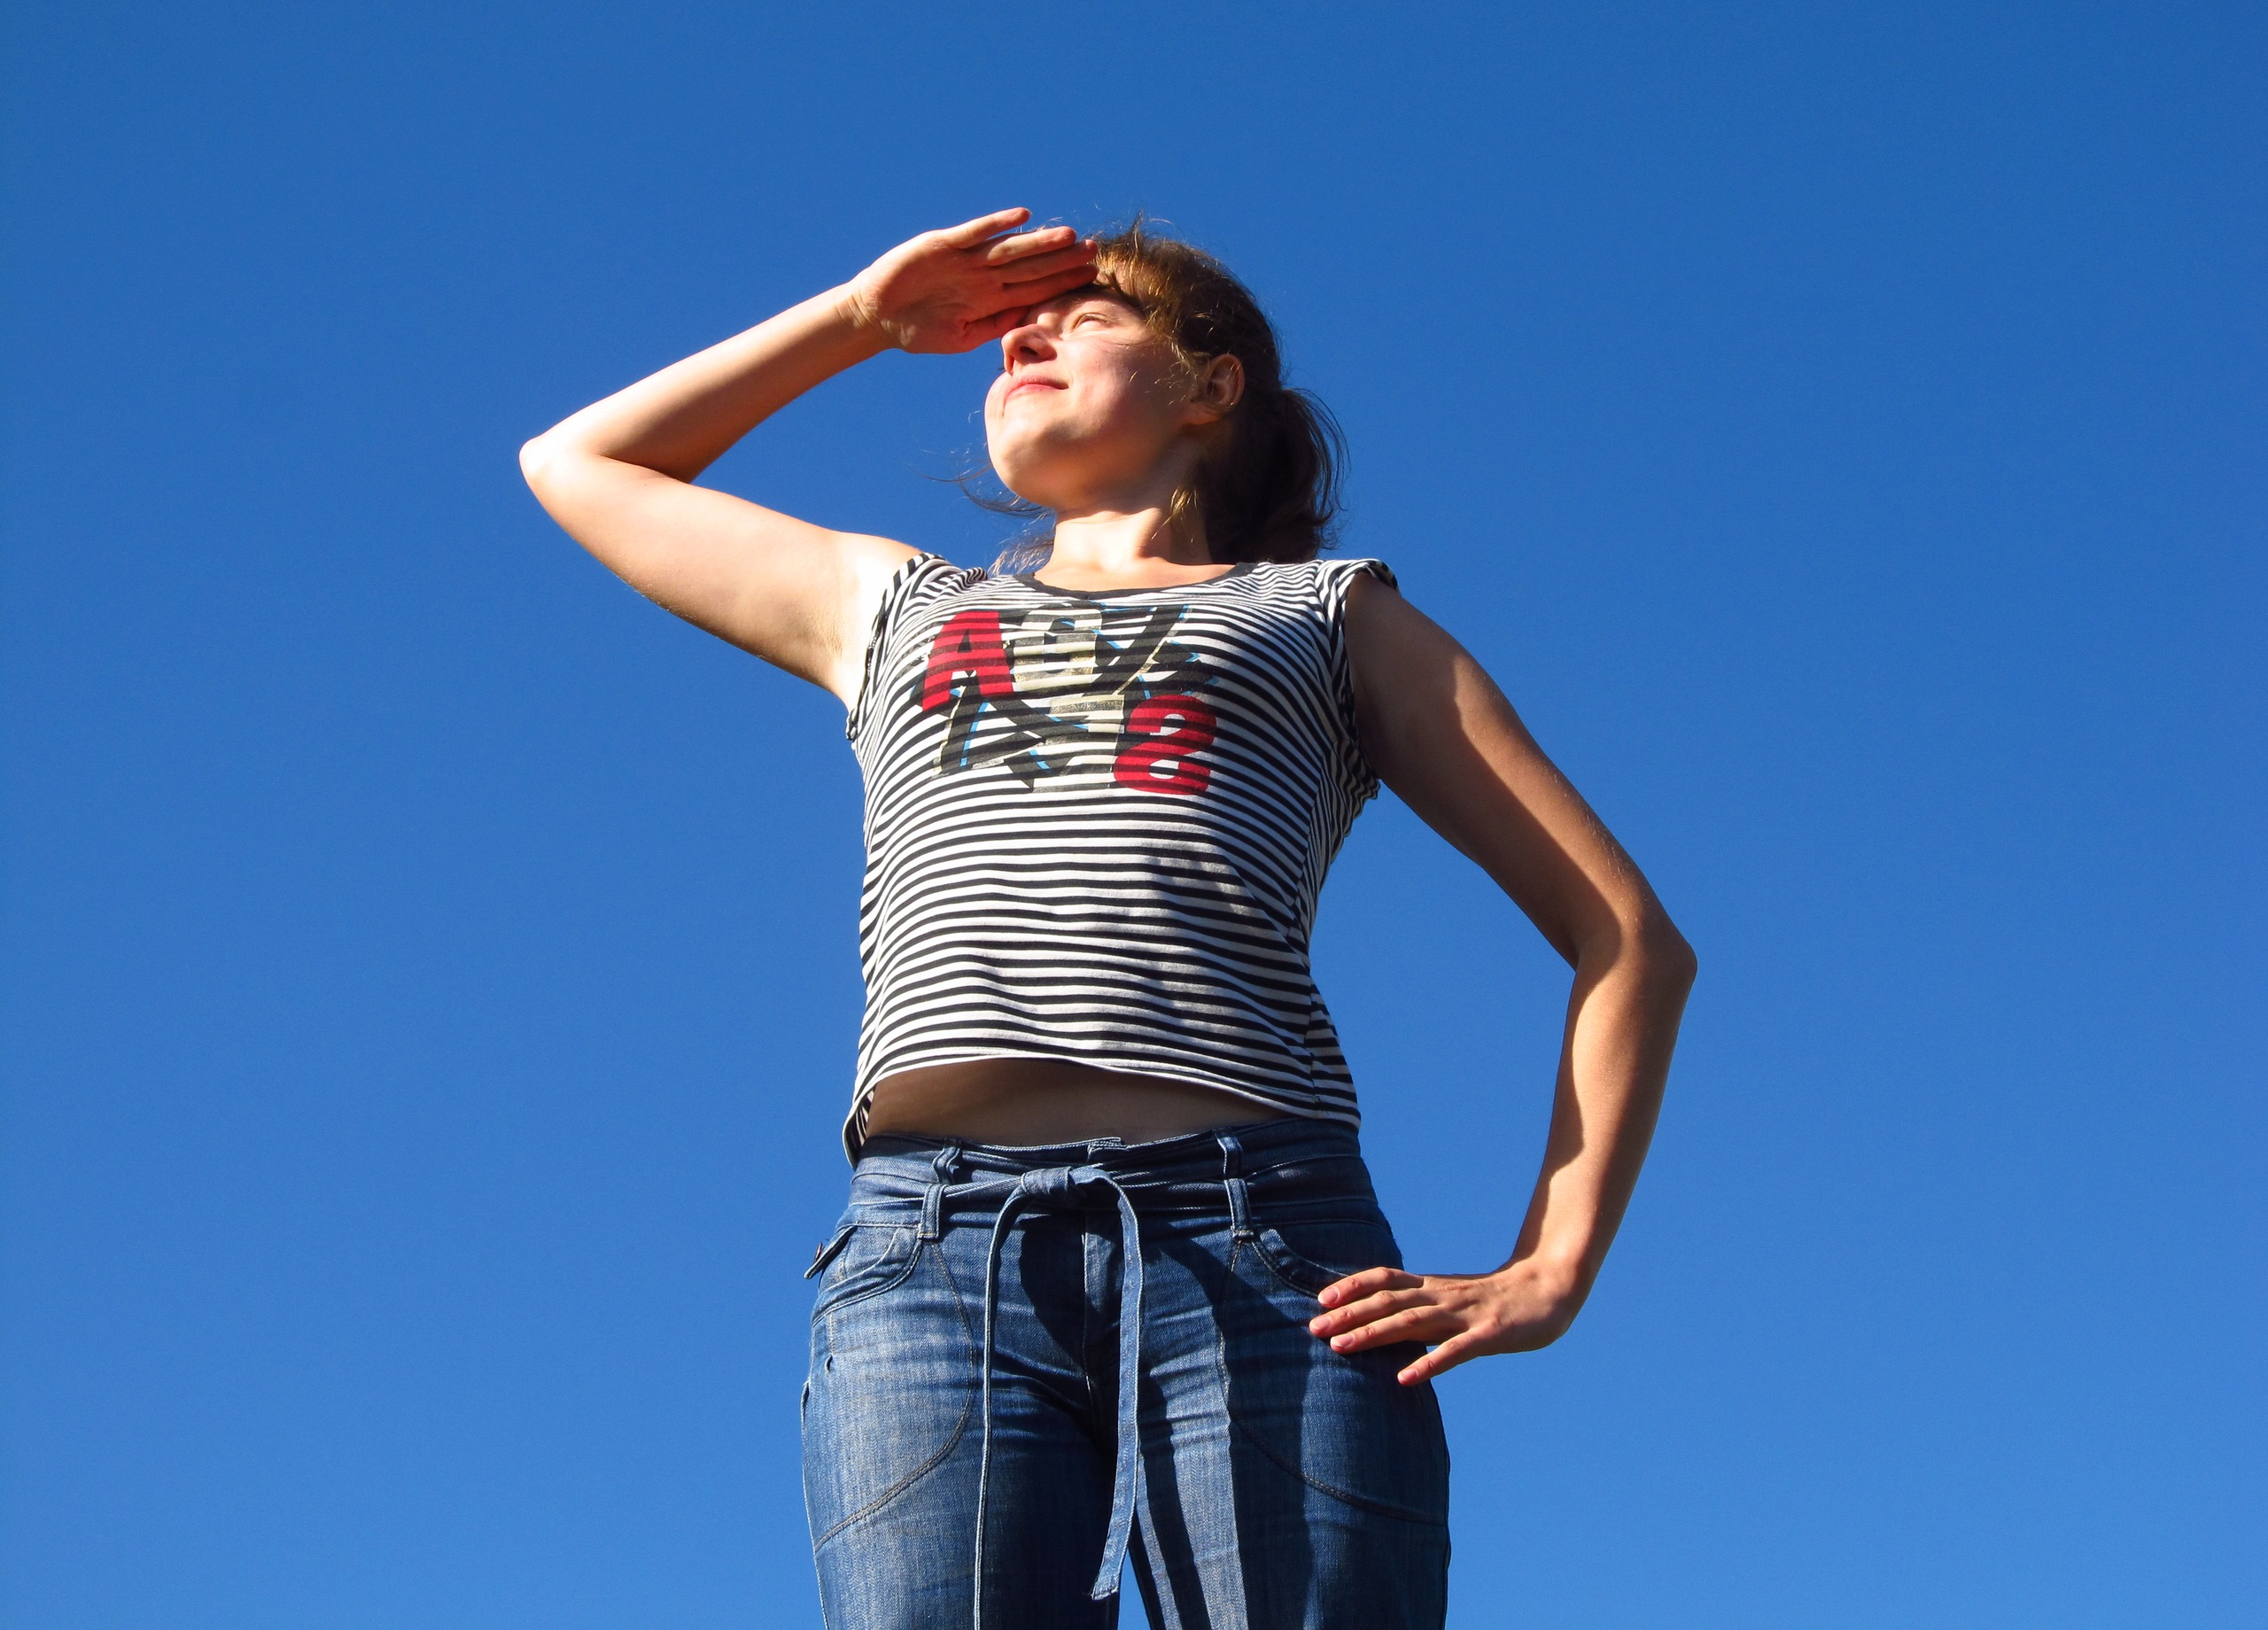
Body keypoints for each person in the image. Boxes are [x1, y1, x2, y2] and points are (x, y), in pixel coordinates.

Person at [519, 208, 1696, 1630]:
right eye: (1014, 329)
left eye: (1086, 316)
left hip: (1266, 1239)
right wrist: (859, 318)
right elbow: (577, 464)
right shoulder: (893, 606)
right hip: (932, 1256)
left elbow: (1628, 934)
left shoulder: (1325, 615)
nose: (1023, 336)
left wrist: (1552, 1267)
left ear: (1212, 385)